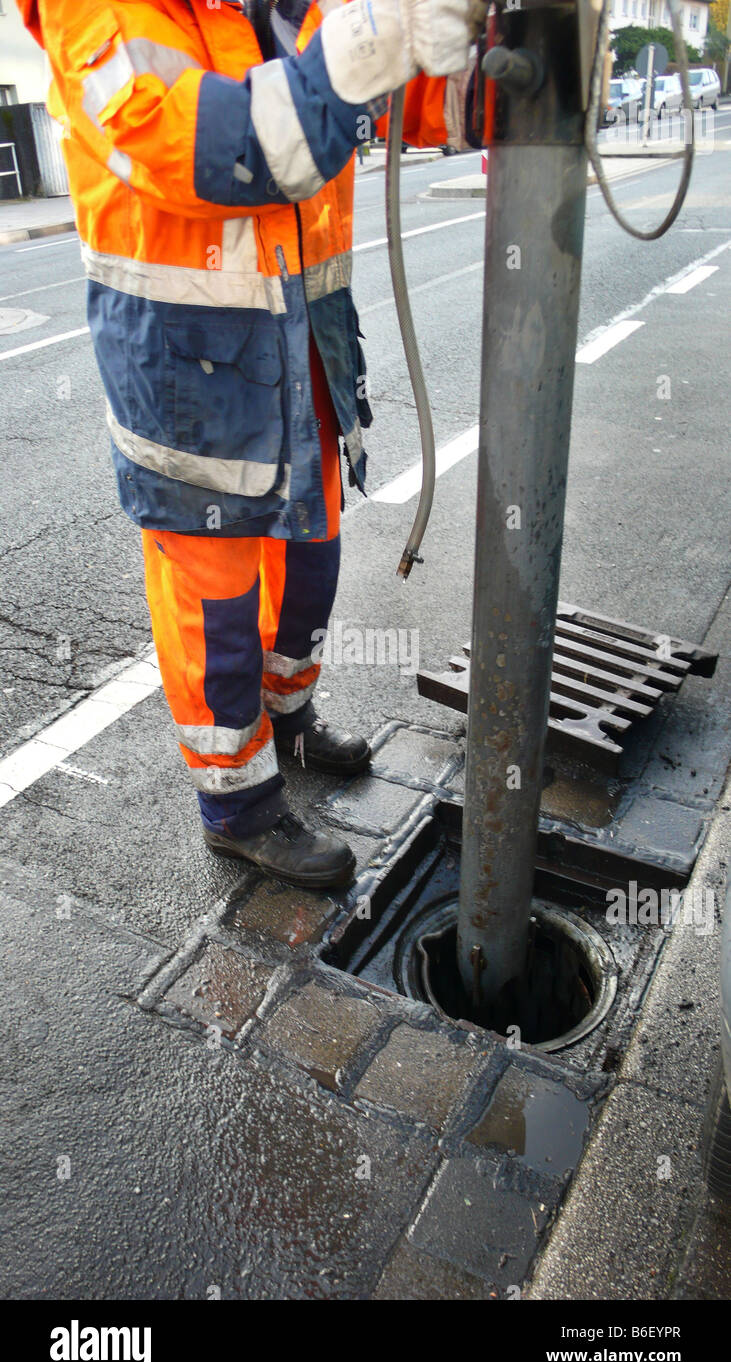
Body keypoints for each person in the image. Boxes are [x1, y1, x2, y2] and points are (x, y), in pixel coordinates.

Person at [20, 0, 483, 888]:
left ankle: (288, 719)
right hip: (188, 369)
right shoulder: (102, 13)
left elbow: (417, 102)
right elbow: (226, 150)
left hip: (302, 344)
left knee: (310, 559)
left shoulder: (288, 6)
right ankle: (237, 803)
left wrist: (481, 48)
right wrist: (373, 40)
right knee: (218, 596)